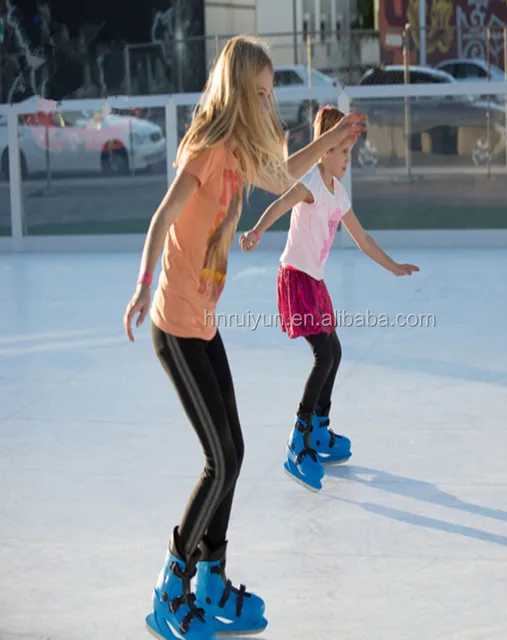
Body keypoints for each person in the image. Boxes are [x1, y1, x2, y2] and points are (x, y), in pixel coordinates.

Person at [123, 38, 365, 639]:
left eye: (269, 92)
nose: (266, 101)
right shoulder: (208, 149)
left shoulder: (239, 150)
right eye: (258, 92)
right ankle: (170, 586)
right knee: (222, 458)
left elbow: (285, 173)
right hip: (174, 324)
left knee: (234, 453)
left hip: (203, 323)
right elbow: (162, 217)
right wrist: (143, 282)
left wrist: (330, 142)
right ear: (235, 91)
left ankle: (211, 580)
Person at [239, 105, 419, 492]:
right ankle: (297, 439)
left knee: (334, 353)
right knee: (324, 355)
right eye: (341, 152)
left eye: (349, 153)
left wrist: (393, 266)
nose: (346, 160)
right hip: (295, 279)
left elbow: (363, 239)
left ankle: (319, 430)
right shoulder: (311, 183)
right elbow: (278, 204)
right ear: (325, 151)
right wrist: (255, 231)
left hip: (315, 283)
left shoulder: (339, 195)